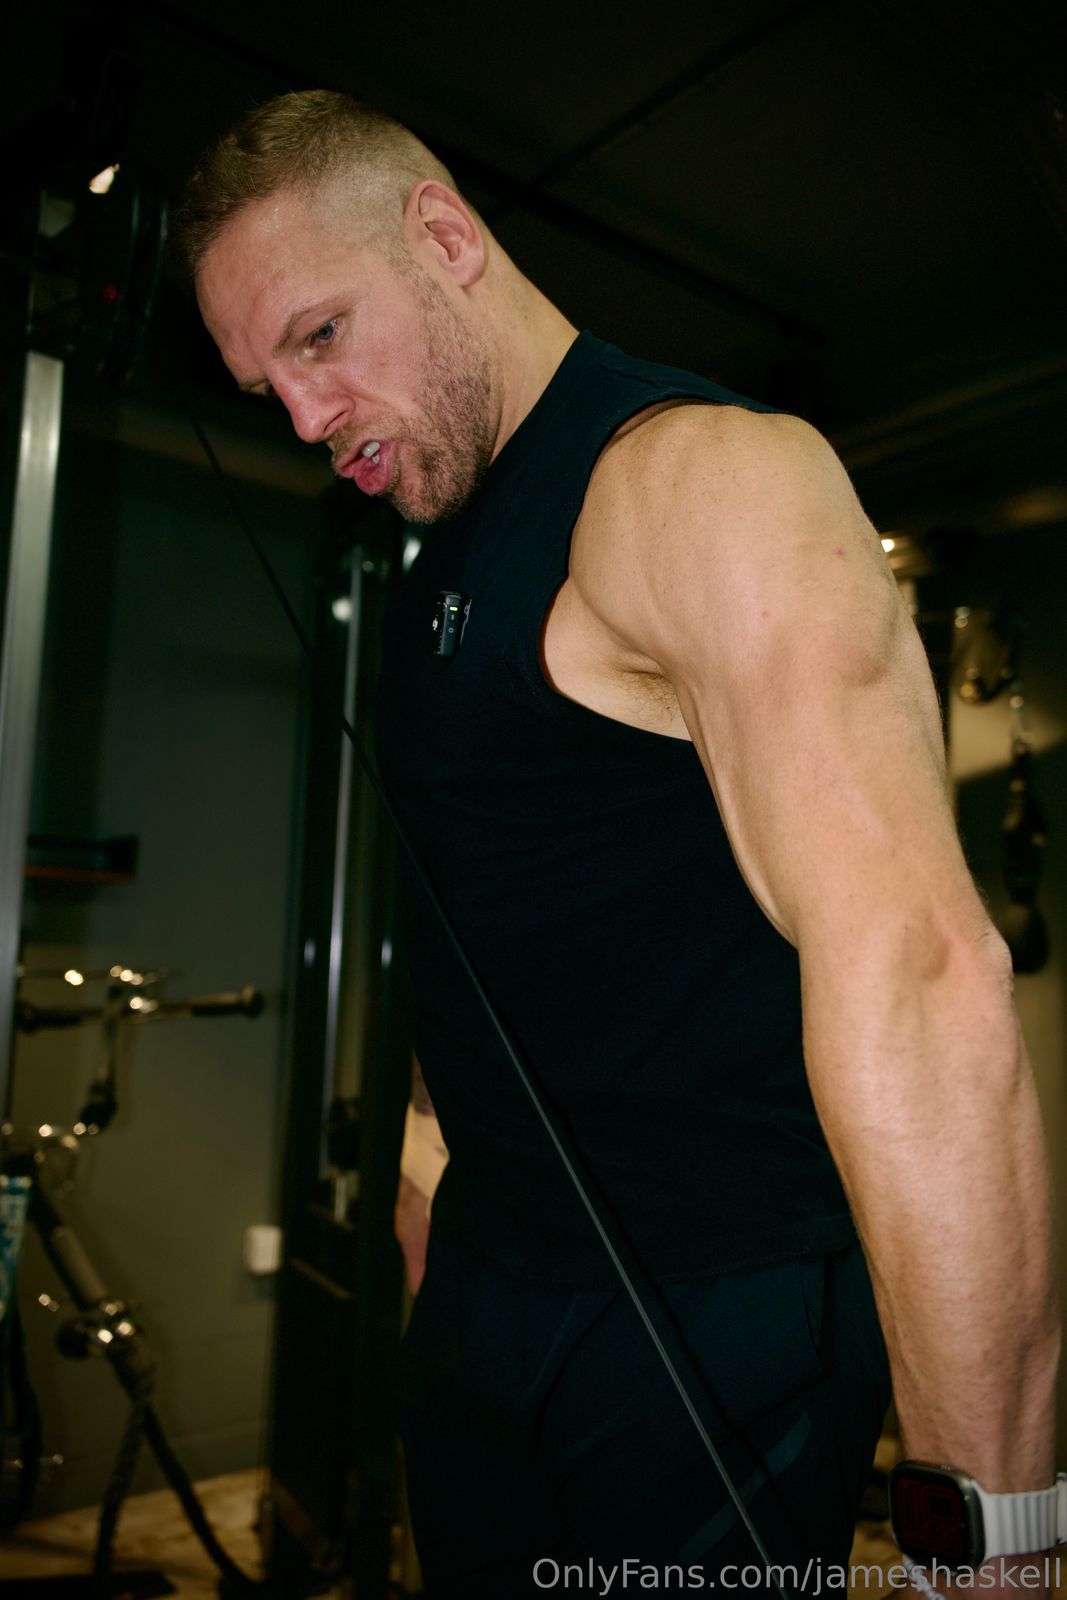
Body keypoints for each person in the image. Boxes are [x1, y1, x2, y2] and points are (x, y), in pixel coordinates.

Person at [174, 91, 1059, 1598]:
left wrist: (994, 1543)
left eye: (320, 336)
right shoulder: (442, 551)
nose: (309, 418)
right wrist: (430, 1182)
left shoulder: (694, 480)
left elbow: (921, 976)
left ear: (444, 236)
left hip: (709, 1314)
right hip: (491, 1295)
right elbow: (494, 907)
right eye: (271, 386)